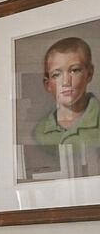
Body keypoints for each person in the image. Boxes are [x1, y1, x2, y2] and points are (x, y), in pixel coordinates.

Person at [33, 35, 100, 166]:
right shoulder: (39, 132)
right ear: (48, 84)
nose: (65, 82)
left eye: (74, 71)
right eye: (56, 75)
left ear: (89, 73)